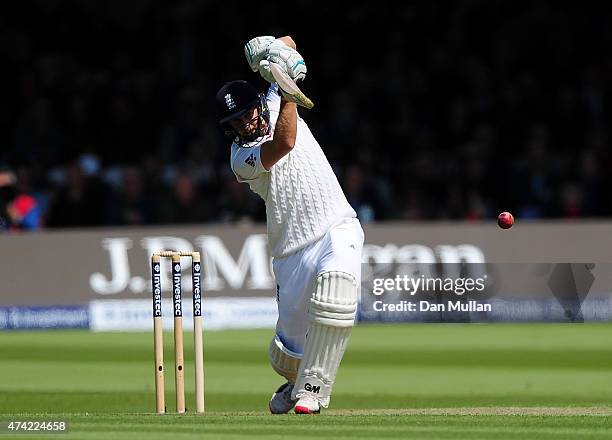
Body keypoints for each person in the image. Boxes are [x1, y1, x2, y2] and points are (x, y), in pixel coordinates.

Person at [215, 35, 364, 415]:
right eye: (235, 121)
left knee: (337, 297)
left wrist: (265, 53)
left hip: (336, 225)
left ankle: (313, 392)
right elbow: (285, 142)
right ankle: (296, 380)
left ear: (254, 105)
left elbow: (289, 42)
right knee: (287, 354)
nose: (245, 122)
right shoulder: (241, 158)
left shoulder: (270, 97)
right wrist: (287, 89)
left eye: (246, 112)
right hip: (290, 252)